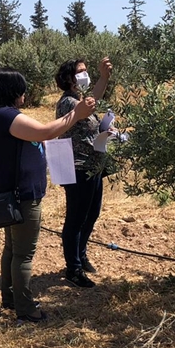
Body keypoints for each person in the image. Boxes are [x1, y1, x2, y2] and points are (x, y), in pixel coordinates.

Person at [0, 68, 96, 322]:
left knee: (12, 249)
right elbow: (45, 131)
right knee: (23, 253)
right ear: (12, 91)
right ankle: (26, 309)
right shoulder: (7, 116)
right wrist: (75, 115)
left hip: (14, 193)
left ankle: (11, 298)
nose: (24, 94)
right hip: (22, 195)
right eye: (21, 89)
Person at [54, 55, 116, 285]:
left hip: (93, 167)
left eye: (86, 71)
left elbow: (92, 110)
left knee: (91, 214)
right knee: (76, 219)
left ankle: (80, 256)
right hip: (78, 168)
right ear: (69, 78)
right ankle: (73, 269)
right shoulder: (69, 103)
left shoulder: (79, 100)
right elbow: (89, 105)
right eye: (81, 71)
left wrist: (107, 129)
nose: (84, 75)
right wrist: (103, 78)